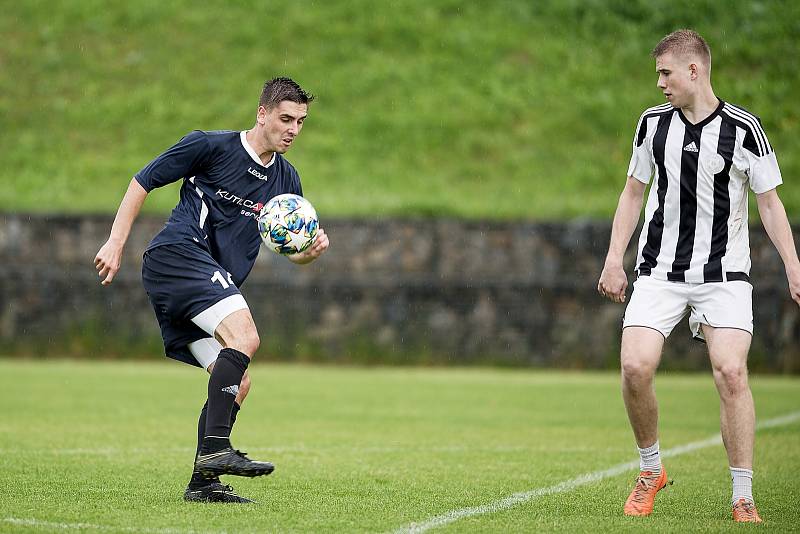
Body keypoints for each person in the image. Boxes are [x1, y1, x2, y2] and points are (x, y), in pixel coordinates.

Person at [94, 77, 329, 503]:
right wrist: (115, 241)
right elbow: (142, 180)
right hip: (177, 257)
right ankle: (218, 450)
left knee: (238, 383)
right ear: (262, 113)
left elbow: (285, 248)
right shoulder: (210, 146)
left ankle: (203, 484)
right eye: (285, 118)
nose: (293, 129)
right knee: (247, 337)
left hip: (201, 278)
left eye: (301, 121)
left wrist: (307, 253)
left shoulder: (287, 181)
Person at [597, 29, 800, 523]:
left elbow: (769, 204)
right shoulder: (651, 125)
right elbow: (632, 194)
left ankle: (743, 495)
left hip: (724, 274)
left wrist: (795, 266)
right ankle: (650, 470)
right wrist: (612, 258)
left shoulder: (744, 129)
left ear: (695, 70)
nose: (660, 83)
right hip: (660, 270)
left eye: (666, 73)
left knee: (731, 371)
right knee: (635, 367)